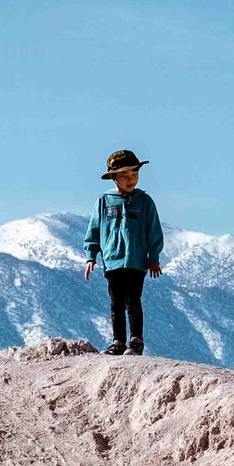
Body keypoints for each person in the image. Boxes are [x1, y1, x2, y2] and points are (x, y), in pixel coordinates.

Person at [82, 149, 164, 355]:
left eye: (134, 175)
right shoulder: (104, 201)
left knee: (134, 301)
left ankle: (136, 342)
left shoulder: (145, 201)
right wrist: (90, 256)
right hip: (112, 261)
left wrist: (153, 258)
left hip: (137, 262)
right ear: (114, 178)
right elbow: (93, 230)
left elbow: (153, 231)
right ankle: (118, 342)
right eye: (125, 176)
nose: (131, 180)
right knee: (116, 303)